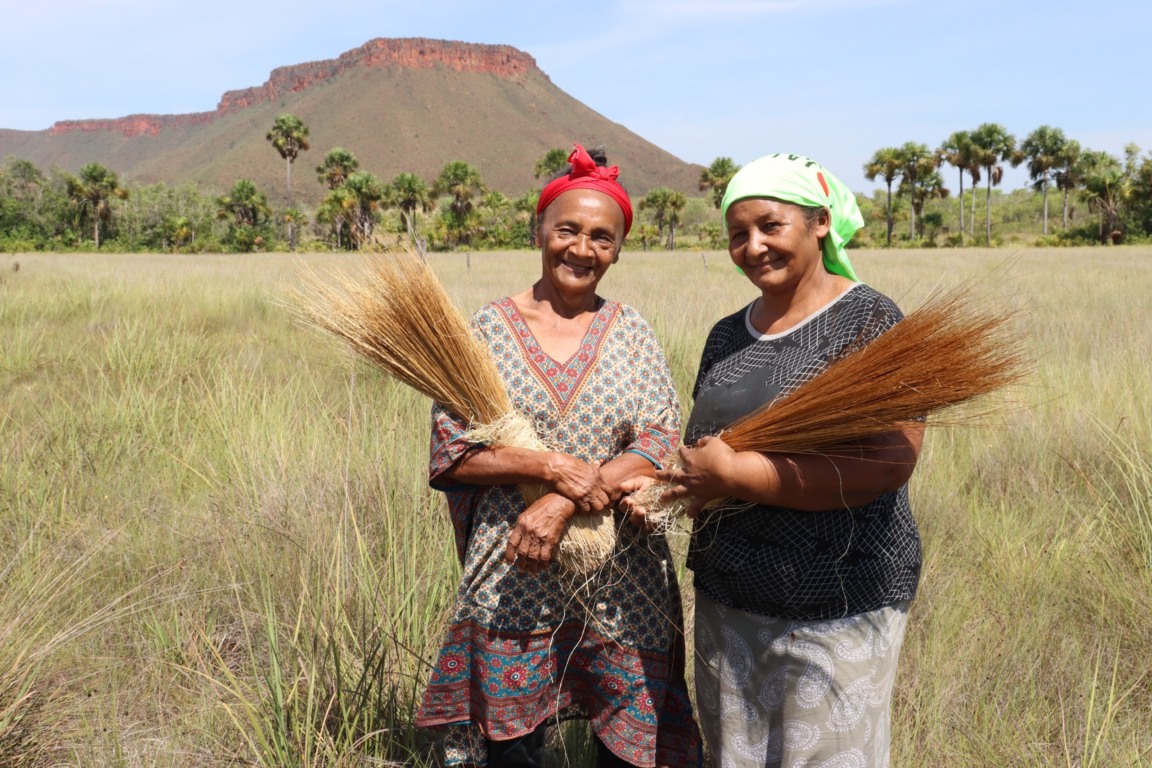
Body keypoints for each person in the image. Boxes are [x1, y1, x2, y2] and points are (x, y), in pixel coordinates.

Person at [415, 144, 701, 768]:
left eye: (602, 237)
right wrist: (549, 467)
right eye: (567, 230)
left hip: (625, 575)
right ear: (539, 230)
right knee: (512, 750)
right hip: (517, 563)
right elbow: (451, 455)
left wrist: (564, 494)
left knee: (635, 744)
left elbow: (657, 439)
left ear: (619, 248)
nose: (581, 248)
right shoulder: (485, 330)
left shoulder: (632, 331)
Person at [637, 153, 923, 767]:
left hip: (837, 598)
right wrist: (677, 489)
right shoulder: (726, 335)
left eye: (770, 226)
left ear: (820, 223)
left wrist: (737, 475)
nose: (753, 246)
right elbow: (706, 448)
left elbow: (892, 461)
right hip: (730, 593)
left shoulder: (869, 319)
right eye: (737, 234)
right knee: (734, 755)